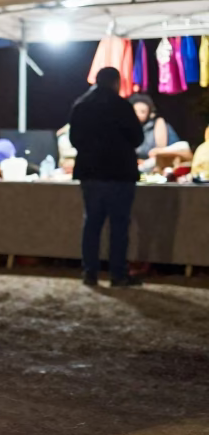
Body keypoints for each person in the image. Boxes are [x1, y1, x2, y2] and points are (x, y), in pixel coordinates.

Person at [68, 67, 144, 287]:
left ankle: (90, 272)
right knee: (119, 226)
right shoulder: (122, 106)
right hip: (120, 173)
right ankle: (117, 274)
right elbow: (137, 138)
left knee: (92, 223)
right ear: (115, 83)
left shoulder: (81, 106)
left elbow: (74, 140)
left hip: (90, 173)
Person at [130, 93, 194, 168]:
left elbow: (158, 152)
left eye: (142, 112)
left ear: (150, 113)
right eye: (135, 111)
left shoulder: (158, 123)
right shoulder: (131, 126)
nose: (138, 115)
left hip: (163, 164)